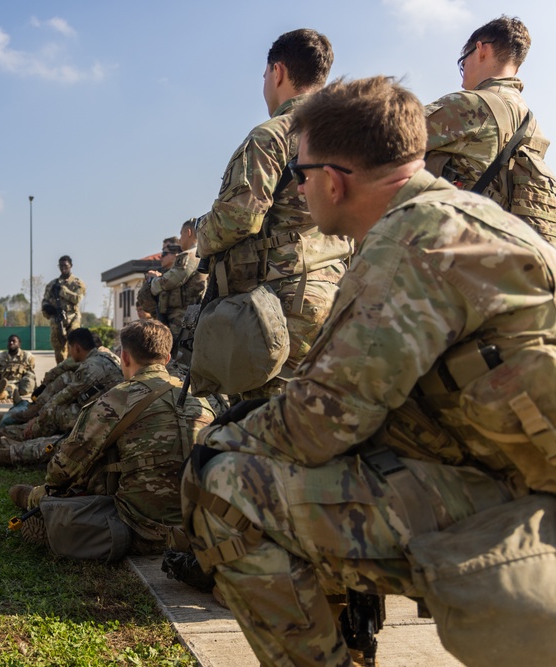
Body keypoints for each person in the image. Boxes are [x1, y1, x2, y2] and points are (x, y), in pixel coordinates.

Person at [184, 75, 556, 667]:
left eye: (300, 176)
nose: (300, 190)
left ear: (333, 180)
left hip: (519, 504)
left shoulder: (412, 241)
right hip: (503, 474)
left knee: (226, 486)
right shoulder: (456, 218)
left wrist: (219, 441)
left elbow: (317, 423)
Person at [194, 28, 352, 398]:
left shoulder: (273, 135)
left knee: (264, 418)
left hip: (281, 304)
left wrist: (200, 231)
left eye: (265, 74)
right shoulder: (349, 138)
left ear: (277, 72)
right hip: (339, 294)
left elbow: (238, 219)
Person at [8, 320, 214, 560]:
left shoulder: (116, 399)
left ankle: (34, 499)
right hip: (199, 529)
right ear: (167, 358)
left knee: (83, 474)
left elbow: (61, 471)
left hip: (140, 531)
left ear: (124, 357)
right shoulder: (200, 399)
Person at [425, 15, 556, 242]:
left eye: (462, 62)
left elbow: (380, 137)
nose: (463, 73)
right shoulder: (533, 127)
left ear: (481, 50)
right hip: (502, 255)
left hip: (449, 251)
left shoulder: (470, 105)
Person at [0, 327, 122, 465]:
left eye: (70, 348)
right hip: (103, 414)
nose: (69, 353)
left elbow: (62, 398)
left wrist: (37, 418)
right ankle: (14, 435)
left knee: (55, 415)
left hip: (102, 421)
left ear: (76, 347)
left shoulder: (90, 366)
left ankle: (15, 445)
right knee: (60, 396)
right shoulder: (102, 358)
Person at [147, 219, 206, 345]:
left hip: (182, 317)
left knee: (178, 357)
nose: (179, 239)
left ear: (188, 232)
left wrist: (153, 281)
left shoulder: (189, 255)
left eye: (181, 234)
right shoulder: (204, 252)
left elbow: (170, 281)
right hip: (194, 313)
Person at [42, 256, 86, 363]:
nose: (63, 268)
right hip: (57, 319)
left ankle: (72, 370)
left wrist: (63, 291)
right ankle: (61, 371)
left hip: (72, 318)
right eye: (60, 266)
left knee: (74, 345)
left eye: (65, 265)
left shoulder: (77, 283)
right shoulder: (52, 284)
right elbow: (45, 301)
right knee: (58, 348)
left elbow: (77, 299)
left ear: (70, 265)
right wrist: (48, 309)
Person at [0, 334, 36, 403]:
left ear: (19, 344)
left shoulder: (27, 356)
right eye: (9, 341)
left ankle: (0, 394)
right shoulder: (1, 356)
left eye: (14, 341)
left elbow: (30, 374)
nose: (11, 343)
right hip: (0, 384)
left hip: (18, 384)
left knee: (9, 390)